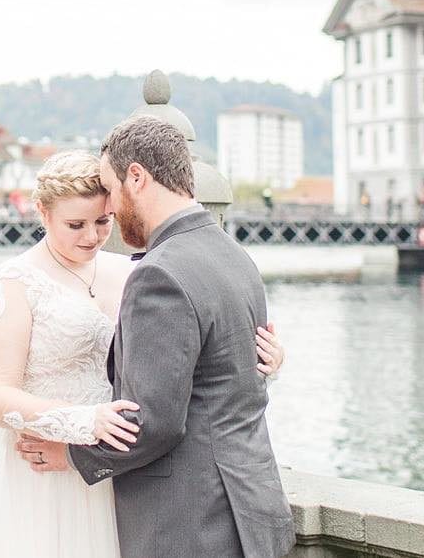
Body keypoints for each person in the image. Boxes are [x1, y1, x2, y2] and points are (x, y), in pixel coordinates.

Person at [0, 148, 286, 558]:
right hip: (37, 470)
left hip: (113, 468)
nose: (91, 236)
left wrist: (263, 361)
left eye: (102, 221)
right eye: (75, 224)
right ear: (42, 212)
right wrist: (83, 421)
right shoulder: (12, 283)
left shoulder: (135, 271)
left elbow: (185, 353)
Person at [16, 117, 295, 558]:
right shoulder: (234, 256)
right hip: (254, 511)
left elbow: (153, 423)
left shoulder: (158, 274)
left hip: (190, 525)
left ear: (138, 177)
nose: (107, 204)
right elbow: (233, 380)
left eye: (109, 187)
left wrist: (69, 455)